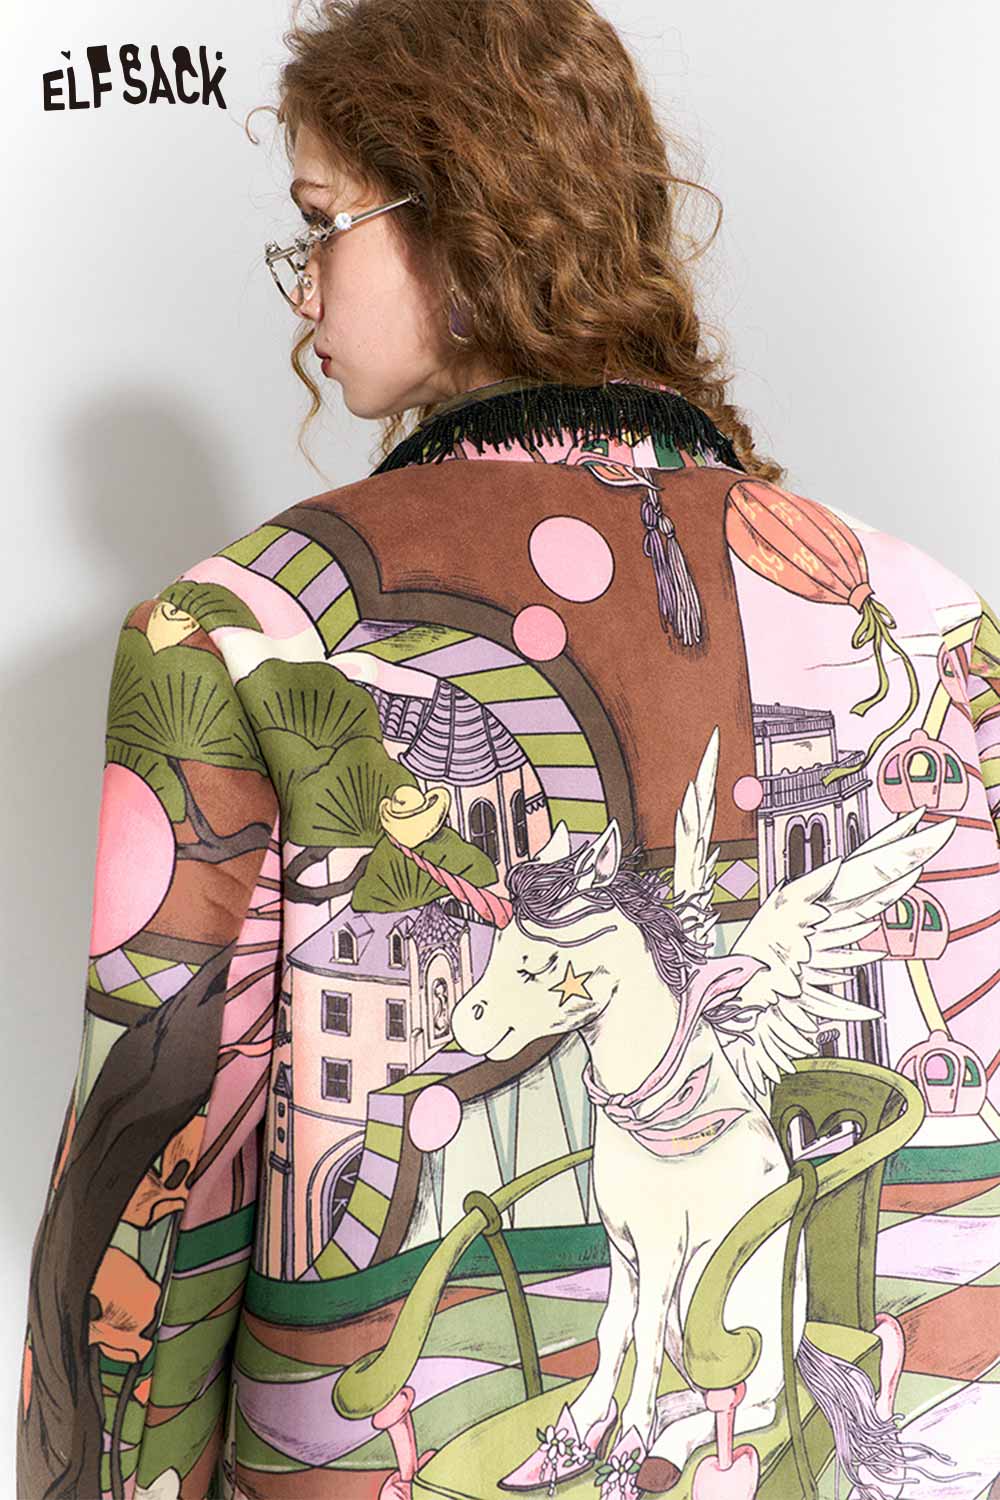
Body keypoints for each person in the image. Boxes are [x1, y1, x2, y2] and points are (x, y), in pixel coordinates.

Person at [16, 1, 999, 1497]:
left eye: (322, 224)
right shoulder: (945, 627)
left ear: (465, 226)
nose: (302, 289)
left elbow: (159, 1181)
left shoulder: (226, 637)